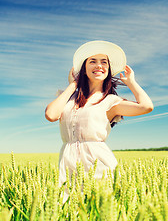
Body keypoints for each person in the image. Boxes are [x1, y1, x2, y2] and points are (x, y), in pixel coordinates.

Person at [45, 40, 153, 197]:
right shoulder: (68, 99)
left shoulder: (110, 101)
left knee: (102, 208)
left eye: (104, 62)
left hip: (99, 161)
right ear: (83, 69)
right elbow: (51, 115)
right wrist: (73, 85)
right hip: (68, 161)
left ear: (108, 70)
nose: (99, 66)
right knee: (68, 208)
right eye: (92, 61)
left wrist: (131, 82)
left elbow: (146, 106)